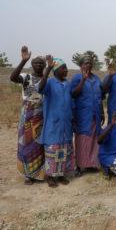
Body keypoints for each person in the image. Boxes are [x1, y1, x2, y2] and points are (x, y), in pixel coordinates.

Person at [10, 46, 46, 184]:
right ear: (32, 64)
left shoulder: (46, 78)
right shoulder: (27, 77)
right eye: (36, 62)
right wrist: (23, 61)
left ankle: (40, 173)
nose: (39, 65)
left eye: (41, 63)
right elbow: (13, 77)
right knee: (26, 143)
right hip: (27, 115)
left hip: (42, 113)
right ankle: (29, 174)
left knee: (40, 144)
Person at [38, 56, 75, 187]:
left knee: (64, 150)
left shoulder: (68, 84)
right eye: (63, 68)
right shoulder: (49, 83)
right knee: (52, 150)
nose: (66, 70)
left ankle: (60, 174)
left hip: (66, 124)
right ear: (56, 70)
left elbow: (72, 102)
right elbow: (40, 88)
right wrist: (47, 69)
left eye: (66, 68)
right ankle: (50, 176)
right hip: (53, 124)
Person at [71, 55, 104, 175]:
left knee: (93, 140)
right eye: (85, 63)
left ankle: (91, 164)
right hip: (82, 115)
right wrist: (83, 79)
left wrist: (102, 112)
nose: (88, 65)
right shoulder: (76, 77)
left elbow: (99, 97)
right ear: (81, 66)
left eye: (90, 63)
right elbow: (74, 94)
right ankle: (79, 166)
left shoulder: (96, 78)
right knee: (82, 139)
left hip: (95, 115)